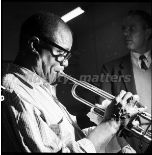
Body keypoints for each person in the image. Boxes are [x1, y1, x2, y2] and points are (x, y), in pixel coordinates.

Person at [2, 12, 144, 153]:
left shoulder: (41, 89)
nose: (66, 62)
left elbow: (73, 141)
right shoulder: (15, 94)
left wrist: (111, 126)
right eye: (62, 53)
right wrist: (110, 124)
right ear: (34, 45)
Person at [99, 10, 152, 153]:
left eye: (132, 28)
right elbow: (102, 115)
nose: (125, 33)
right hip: (130, 146)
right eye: (124, 29)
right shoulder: (109, 69)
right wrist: (123, 147)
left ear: (148, 32)